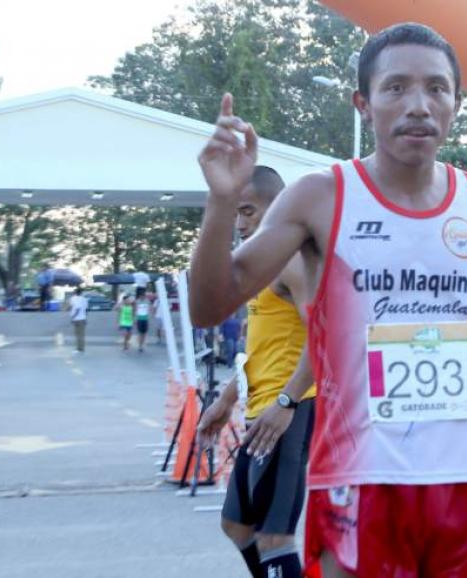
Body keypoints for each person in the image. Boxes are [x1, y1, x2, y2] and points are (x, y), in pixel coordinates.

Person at [189, 22, 467, 578]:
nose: (418, 105)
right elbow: (209, 306)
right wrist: (220, 203)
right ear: (364, 103)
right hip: (359, 479)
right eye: (396, 88)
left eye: (436, 88)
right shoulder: (321, 196)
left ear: (456, 103)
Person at [196, 166, 317, 578]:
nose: (240, 222)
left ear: (277, 207)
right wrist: (226, 400)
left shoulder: (293, 263)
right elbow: (259, 348)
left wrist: (288, 401)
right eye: (236, 213)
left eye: (248, 211)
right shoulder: (262, 268)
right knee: (235, 525)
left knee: (274, 537)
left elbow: (326, 335)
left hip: (289, 411)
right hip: (259, 410)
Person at [68, 287, 88, 354]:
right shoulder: (84, 299)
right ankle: (81, 348)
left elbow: (77, 309)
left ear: (75, 292)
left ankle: (79, 349)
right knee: (81, 334)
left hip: (77, 319)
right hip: (82, 318)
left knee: (77, 334)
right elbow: (85, 310)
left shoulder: (73, 299)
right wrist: (85, 318)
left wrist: (72, 318)